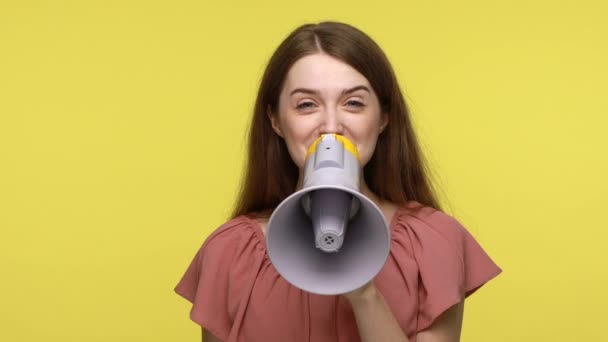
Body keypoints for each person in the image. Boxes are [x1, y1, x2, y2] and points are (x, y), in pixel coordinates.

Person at [174, 21, 502, 342]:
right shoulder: (231, 252)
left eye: (353, 103)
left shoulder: (433, 241)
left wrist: (364, 293)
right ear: (275, 120)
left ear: (384, 116)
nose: (331, 126)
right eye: (306, 105)